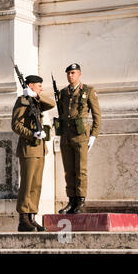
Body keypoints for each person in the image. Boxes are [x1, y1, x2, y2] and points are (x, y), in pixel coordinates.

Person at [12, 75, 55, 232]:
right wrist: (32, 134)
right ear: (30, 85)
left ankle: (32, 216)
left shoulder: (35, 100)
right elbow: (16, 125)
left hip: (40, 149)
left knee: (36, 185)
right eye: (38, 86)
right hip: (28, 148)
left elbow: (51, 103)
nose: (41, 88)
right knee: (27, 184)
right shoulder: (22, 101)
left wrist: (36, 95)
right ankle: (23, 218)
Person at [57, 63, 101, 214]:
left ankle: (81, 201)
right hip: (66, 137)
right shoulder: (62, 93)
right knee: (69, 171)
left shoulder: (88, 91)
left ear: (79, 74)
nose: (70, 76)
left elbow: (97, 115)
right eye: (68, 73)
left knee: (80, 170)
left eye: (73, 73)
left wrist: (93, 135)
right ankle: (71, 200)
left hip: (81, 136)